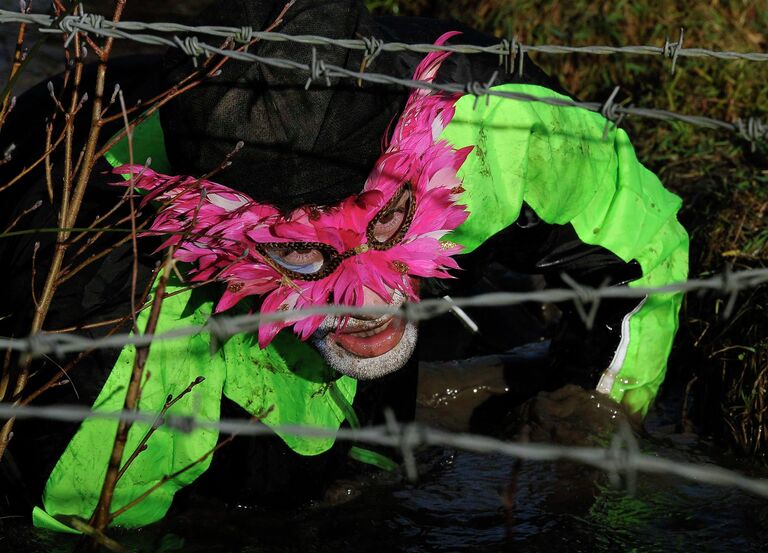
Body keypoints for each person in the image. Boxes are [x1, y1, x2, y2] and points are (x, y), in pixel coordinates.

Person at [0, 0, 687, 532]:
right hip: (82, 207)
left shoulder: (489, 129)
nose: (366, 296)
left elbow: (644, 246)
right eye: (304, 251)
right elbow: (81, 521)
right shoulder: (119, 340)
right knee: (276, 484)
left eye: (385, 221)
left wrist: (601, 410)